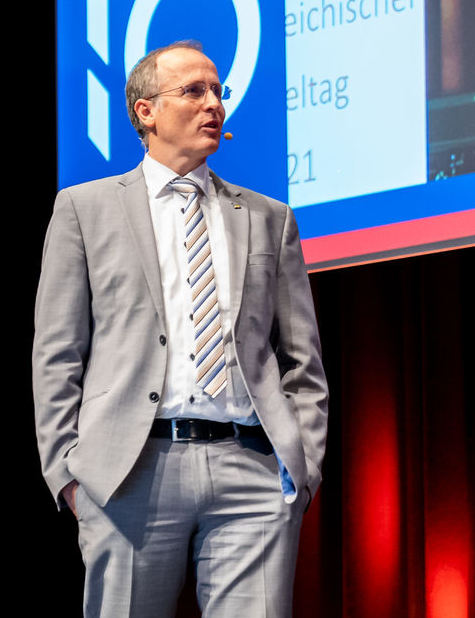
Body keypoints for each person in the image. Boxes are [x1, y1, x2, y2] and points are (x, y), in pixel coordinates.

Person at [32, 40, 329, 617]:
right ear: (146, 112)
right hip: (128, 470)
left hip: (252, 470)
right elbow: (57, 353)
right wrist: (69, 473)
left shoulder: (268, 217)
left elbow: (302, 360)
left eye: (217, 91)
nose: (213, 104)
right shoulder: (84, 209)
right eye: (194, 91)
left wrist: (304, 466)